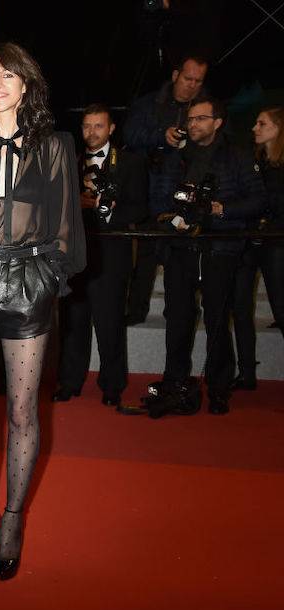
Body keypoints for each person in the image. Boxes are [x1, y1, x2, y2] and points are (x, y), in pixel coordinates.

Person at [0, 43, 84, 580]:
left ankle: (13, 518)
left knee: (26, 411)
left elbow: (65, 224)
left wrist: (49, 278)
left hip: (30, 284)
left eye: (8, 76)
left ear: (26, 85)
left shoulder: (55, 146)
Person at [149, 95, 266, 415]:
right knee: (178, 319)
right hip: (180, 248)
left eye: (201, 118)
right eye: (191, 119)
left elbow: (258, 200)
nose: (193, 124)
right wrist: (172, 217)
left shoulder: (237, 156)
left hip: (220, 248)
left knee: (217, 320)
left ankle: (218, 387)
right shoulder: (177, 157)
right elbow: (159, 197)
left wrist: (222, 209)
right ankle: (173, 382)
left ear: (218, 122)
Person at [54, 104, 148, 407]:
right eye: (86, 126)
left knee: (110, 326)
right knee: (73, 325)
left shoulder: (131, 163)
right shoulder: (71, 161)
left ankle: (112, 385)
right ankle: (69, 381)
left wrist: (107, 209)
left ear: (111, 129)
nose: (91, 132)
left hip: (112, 256)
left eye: (98, 126)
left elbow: (141, 208)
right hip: (76, 258)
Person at [124, 54, 209, 325]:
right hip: (150, 194)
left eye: (198, 81)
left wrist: (190, 141)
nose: (192, 85)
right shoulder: (149, 104)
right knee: (143, 263)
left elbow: (217, 146)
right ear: (175, 75)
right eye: (188, 78)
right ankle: (135, 313)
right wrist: (162, 136)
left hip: (186, 199)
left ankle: (182, 316)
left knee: (181, 267)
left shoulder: (208, 108)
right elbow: (130, 137)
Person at [231, 106, 284, 389]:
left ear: (278, 128)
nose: (254, 128)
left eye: (261, 123)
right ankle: (246, 372)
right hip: (248, 240)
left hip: (276, 243)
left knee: (281, 307)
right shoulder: (252, 161)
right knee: (239, 306)